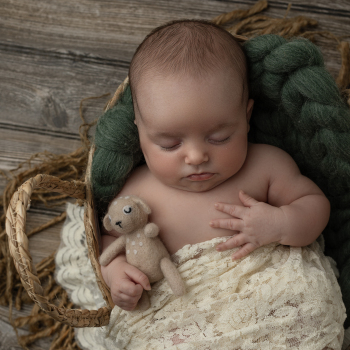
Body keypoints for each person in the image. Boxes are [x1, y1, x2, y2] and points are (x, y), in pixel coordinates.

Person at [97, 19, 345, 348]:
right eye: (170, 144)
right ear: (139, 130)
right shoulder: (137, 190)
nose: (197, 155)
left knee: (307, 303)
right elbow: (106, 241)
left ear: (246, 116)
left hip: (274, 309)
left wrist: (281, 223)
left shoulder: (265, 165)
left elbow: (316, 206)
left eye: (219, 137)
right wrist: (115, 273)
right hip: (183, 322)